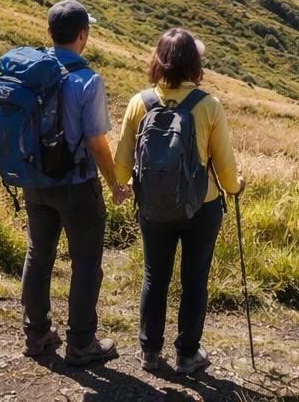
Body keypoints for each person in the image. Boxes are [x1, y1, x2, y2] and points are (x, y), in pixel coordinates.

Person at [113, 28, 243, 377]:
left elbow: (122, 162)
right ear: (194, 64)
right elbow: (225, 167)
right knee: (194, 279)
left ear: (158, 60)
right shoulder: (208, 105)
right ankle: (187, 354)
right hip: (202, 205)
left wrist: (124, 187)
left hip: (153, 206)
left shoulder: (140, 102)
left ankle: (149, 351)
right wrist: (236, 187)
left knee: (154, 276)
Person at [19, 0, 130, 366]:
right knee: (85, 262)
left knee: (38, 254)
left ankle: (36, 334)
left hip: (35, 179)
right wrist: (114, 184)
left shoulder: (30, 71)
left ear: (49, 33)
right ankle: (81, 343)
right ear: (84, 34)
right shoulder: (88, 80)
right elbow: (97, 143)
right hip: (76, 184)